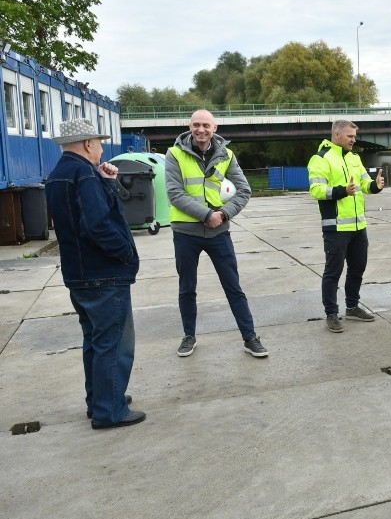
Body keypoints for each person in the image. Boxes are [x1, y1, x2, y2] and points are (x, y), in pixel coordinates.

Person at [45, 119, 145, 429]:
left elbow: (78, 218)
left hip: (78, 274)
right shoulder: (84, 174)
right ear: (88, 144)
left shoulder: (58, 175)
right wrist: (125, 252)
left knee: (95, 341)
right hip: (103, 274)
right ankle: (109, 411)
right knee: (114, 343)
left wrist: (103, 180)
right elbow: (97, 224)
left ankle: (101, 400)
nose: (101, 148)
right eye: (99, 143)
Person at [165, 109, 268, 358]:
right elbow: (175, 193)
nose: (201, 130)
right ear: (189, 126)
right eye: (196, 125)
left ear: (215, 128)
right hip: (185, 233)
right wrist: (206, 214)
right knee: (187, 288)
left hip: (219, 231)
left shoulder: (226, 155)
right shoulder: (175, 154)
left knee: (233, 286)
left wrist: (222, 214)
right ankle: (189, 336)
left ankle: (250, 337)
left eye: (206, 125)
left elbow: (244, 190)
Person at [308, 120, 384, 333]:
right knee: (333, 272)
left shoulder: (354, 158)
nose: (354, 139)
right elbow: (316, 190)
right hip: (336, 227)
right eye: (350, 136)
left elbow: (363, 185)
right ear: (337, 135)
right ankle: (331, 314)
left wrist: (375, 186)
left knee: (358, 267)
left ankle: (352, 307)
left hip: (359, 226)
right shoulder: (321, 158)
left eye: (354, 136)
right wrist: (342, 190)